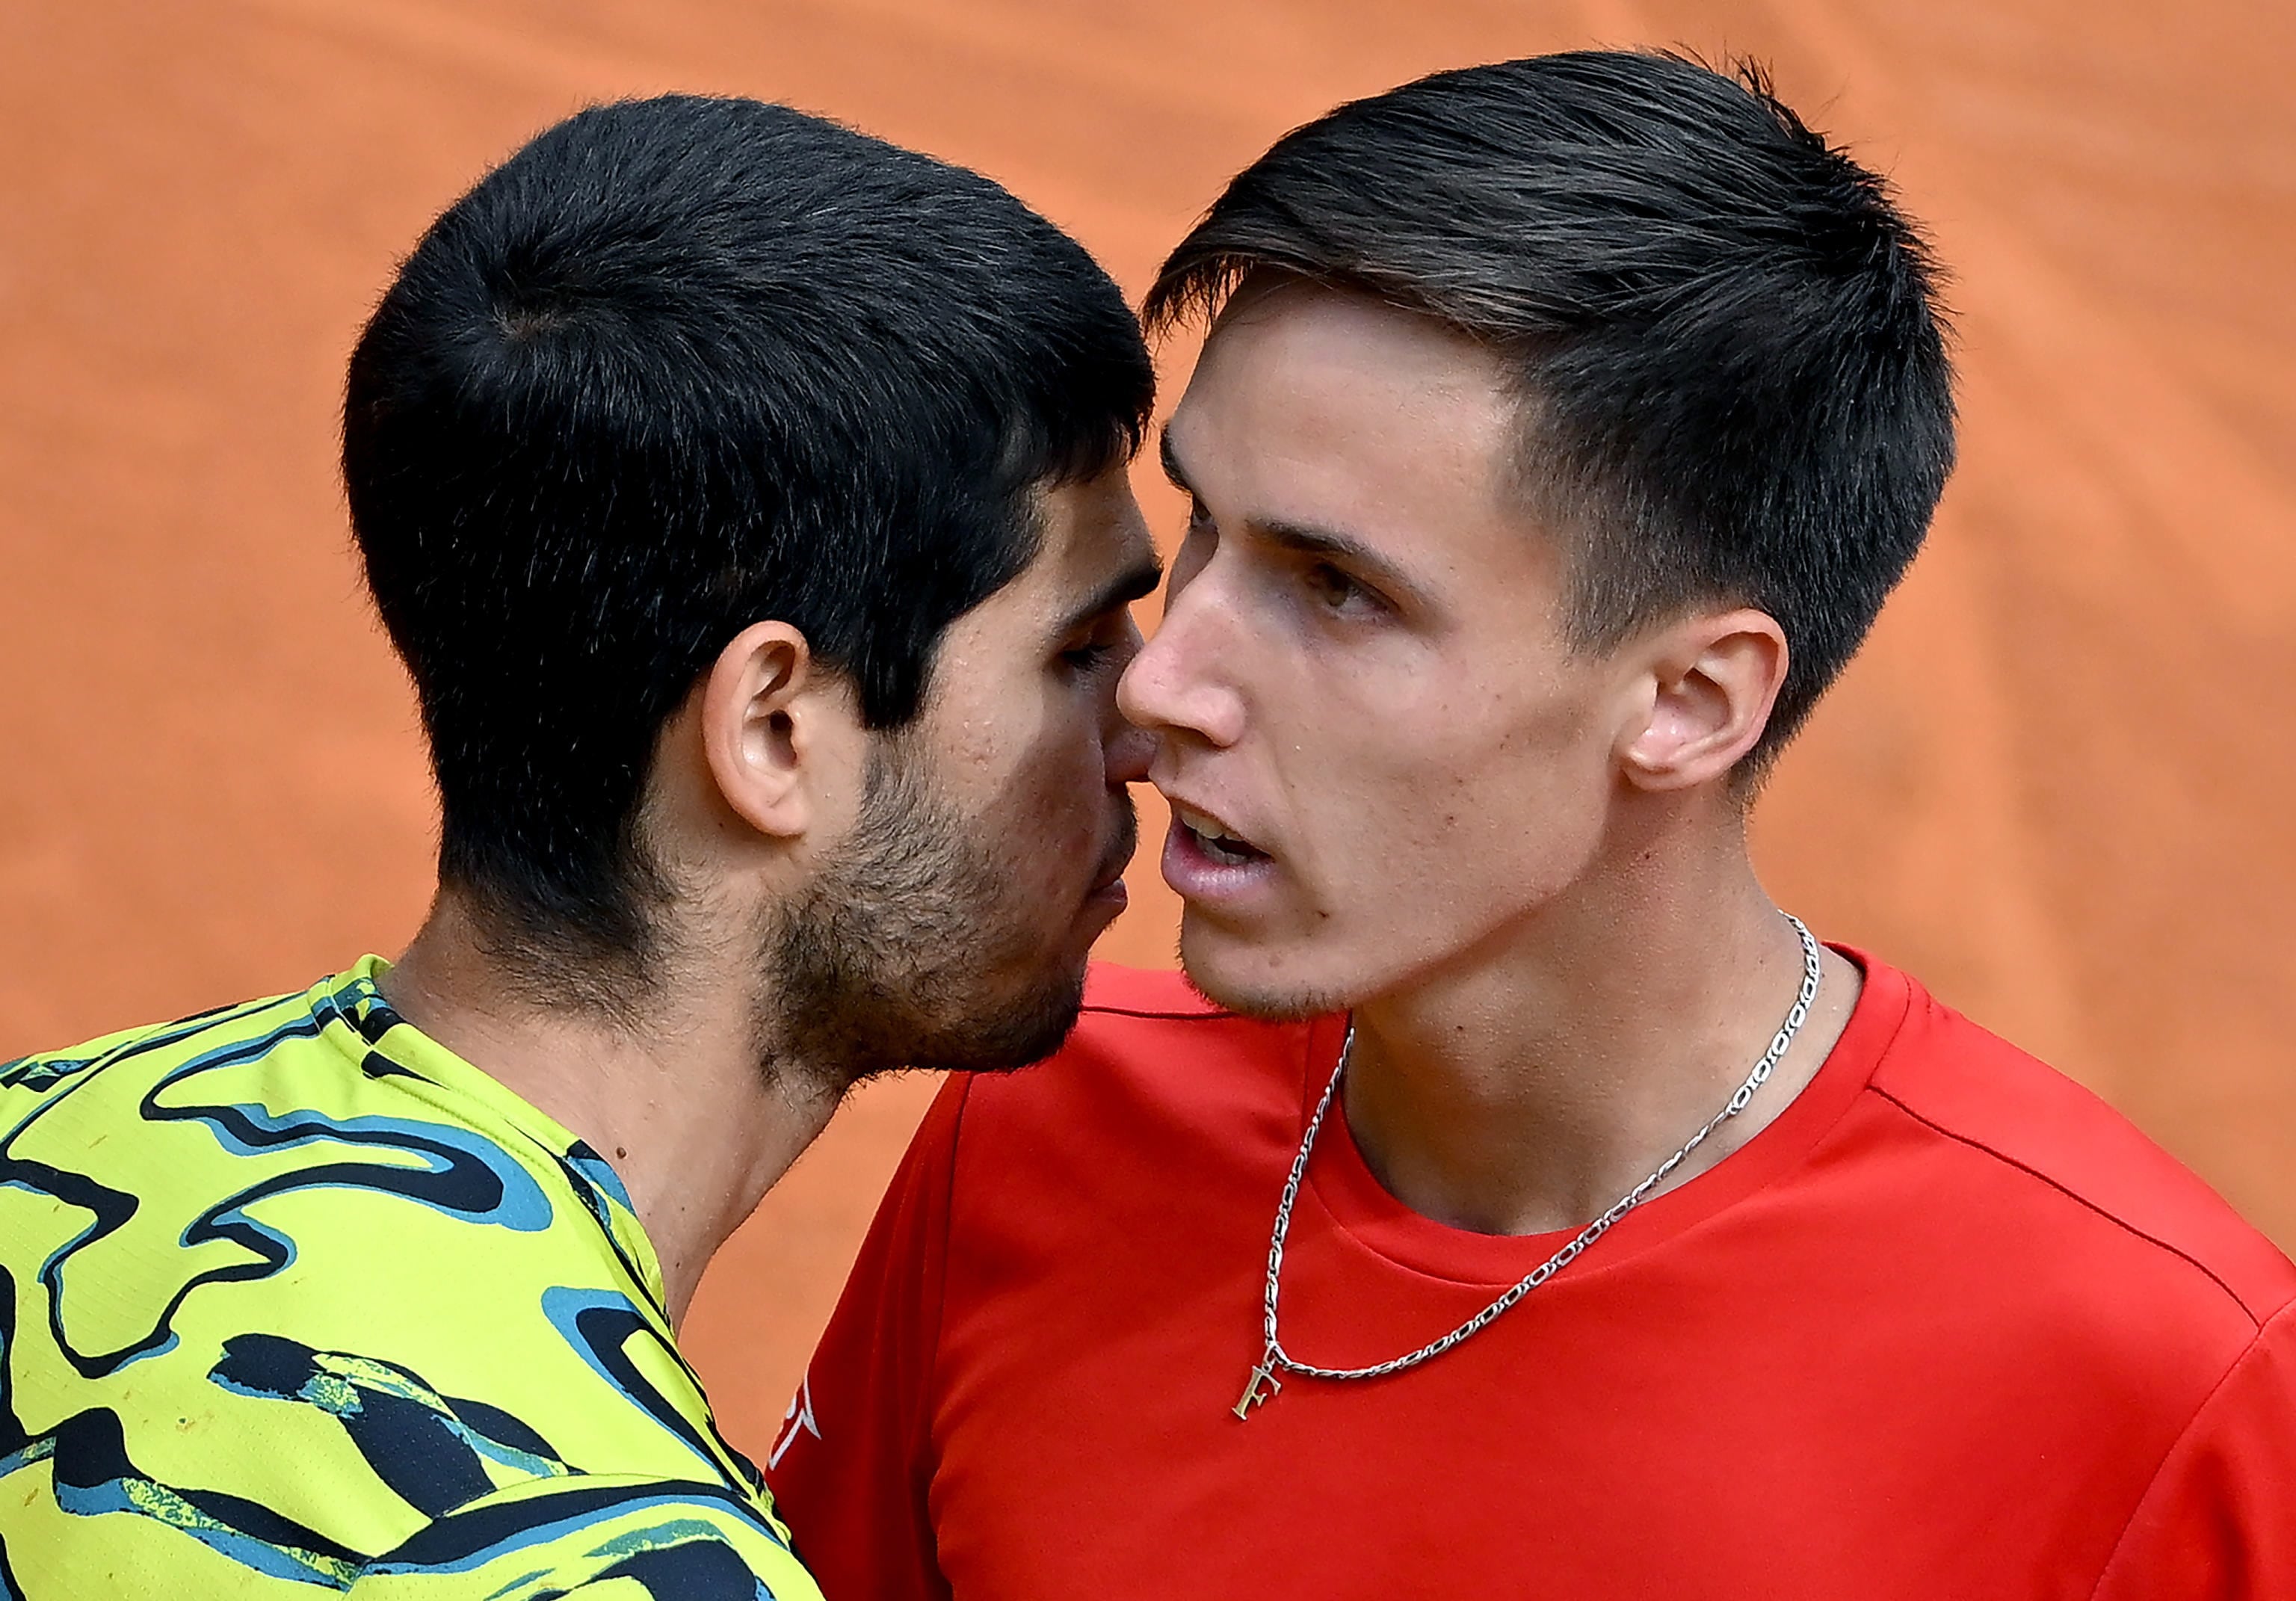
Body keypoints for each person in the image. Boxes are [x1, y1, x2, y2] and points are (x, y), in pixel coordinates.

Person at [768, 51, 2296, 1599]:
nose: (1165, 685)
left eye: (1339, 590)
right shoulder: (1039, 1130)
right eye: (1207, 531)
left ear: (1692, 702)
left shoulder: (2163, 1392)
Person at [0, 93, 1159, 1597]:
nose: (1159, 720)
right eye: (1081, 651)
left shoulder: (34, 1137)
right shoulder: (632, 1565)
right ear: (775, 733)